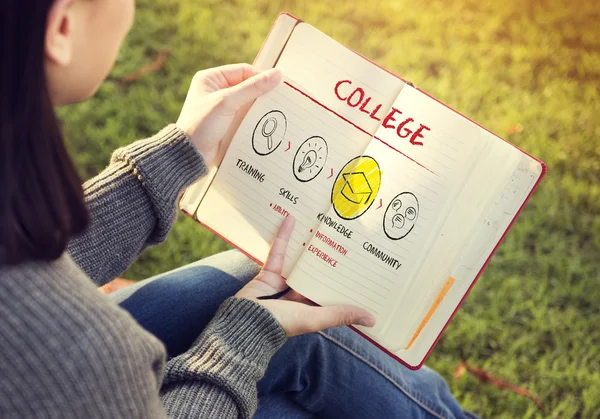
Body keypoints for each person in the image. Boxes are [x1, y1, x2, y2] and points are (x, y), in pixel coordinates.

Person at [0, 0, 475, 417]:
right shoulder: (81, 349)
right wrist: (240, 340)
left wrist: (173, 158)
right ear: (62, 27)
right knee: (297, 348)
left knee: (256, 286)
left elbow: (20, 257)